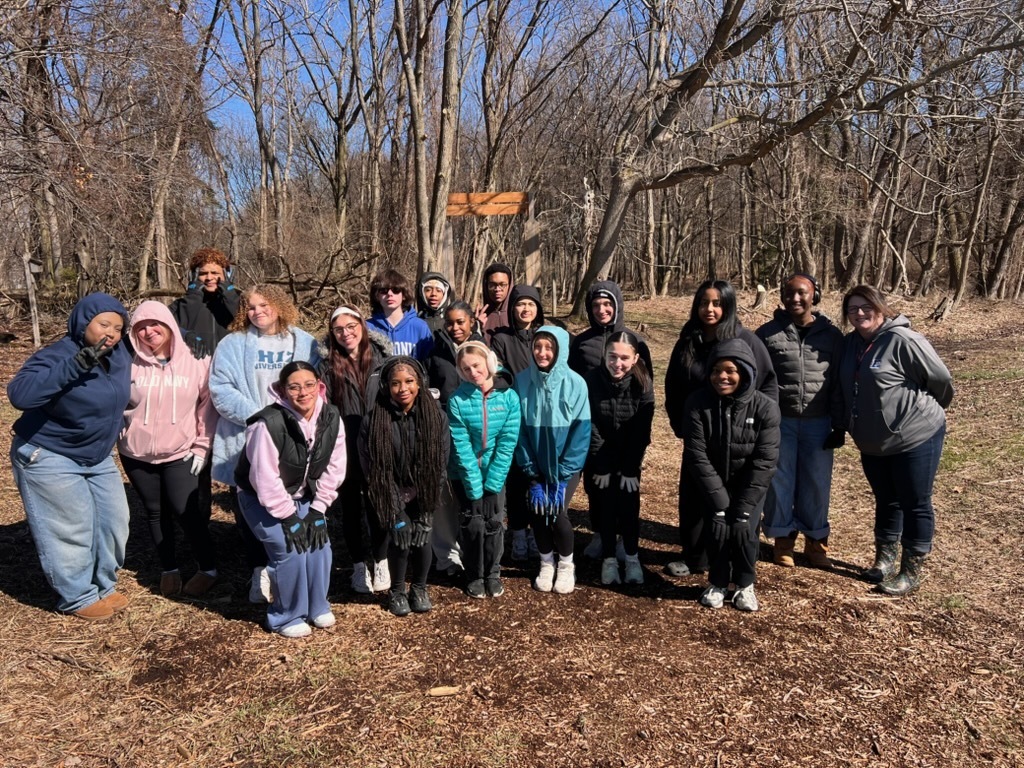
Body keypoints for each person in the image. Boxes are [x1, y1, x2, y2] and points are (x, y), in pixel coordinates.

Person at [9, 293, 132, 620]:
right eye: (103, 324)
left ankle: (103, 585)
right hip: (49, 453)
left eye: (118, 327)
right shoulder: (56, 355)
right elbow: (19, 395)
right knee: (70, 527)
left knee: (114, 522)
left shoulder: (119, 354)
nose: (111, 332)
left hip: (96, 454)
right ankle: (77, 596)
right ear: (83, 323)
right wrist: (78, 363)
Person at [838, 285, 953, 595]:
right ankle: (884, 561)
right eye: (853, 309)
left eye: (866, 307)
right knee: (886, 499)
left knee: (915, 502)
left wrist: (919, 411)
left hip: (915, 435)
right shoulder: (850, 345)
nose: (860, 313)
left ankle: (911, 571)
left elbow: (940, 380)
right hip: (872, 441)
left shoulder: (904, 340)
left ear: (881, 307)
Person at [208, 284, 320, 603]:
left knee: (290, 500)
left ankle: (287, 566)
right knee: (250, 506)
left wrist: (295, 419)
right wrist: (260, 417)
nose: (257, 312)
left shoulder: (303, 341)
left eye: (263, 305)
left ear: (279, 305)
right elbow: (221, 388)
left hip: (293, 438)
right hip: (249, 437)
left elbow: (317, 385)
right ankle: (259, 569)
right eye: (251, 307)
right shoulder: (233, 344)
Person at [663, 279, 778, 577]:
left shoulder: (746, 340)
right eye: (703, 303)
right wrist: (680, 425)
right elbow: (673, 386)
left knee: (738, 500)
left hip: (739, 437)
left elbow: (767, 386)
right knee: (694, 497)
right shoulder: (689, 340)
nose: (709, 309)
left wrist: (758, 426)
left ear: (728, 306)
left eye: (716, 303)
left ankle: (737, 564)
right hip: (700, 434)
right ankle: (695, 558)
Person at [235, 362, 345, 638]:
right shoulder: (267, 423)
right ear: (283, 391)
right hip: (260, 498)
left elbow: (335, 466)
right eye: (294, 387)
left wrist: (318, 509)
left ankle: (317, 605)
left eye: (309, 385)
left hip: (303, 494)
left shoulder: (331, 417)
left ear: (319, 386)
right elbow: (264, 478)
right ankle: (285, 616)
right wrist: (289, 517)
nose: (303, 392)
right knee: (289, 548)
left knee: (320, 543)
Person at [118, 300, 219, 598]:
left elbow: (207, 404)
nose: (149, 332)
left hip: (181, 450)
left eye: (155, 325)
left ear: (169, 325)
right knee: (153, 512)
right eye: (141, 328)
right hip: (135, 452)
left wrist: (203, 446)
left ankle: (208, 568)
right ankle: (169, 568)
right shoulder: (127, 360)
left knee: (185, 510)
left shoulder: (196, 356)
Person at [684, 340, 781, 612]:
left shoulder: (765, 407)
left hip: (749, 484)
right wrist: (719, 501)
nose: (722, 377)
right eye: (716, 370)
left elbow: (765, 459)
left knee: (743, 530)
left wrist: (744, 506)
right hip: (713, 482)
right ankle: (717, 581)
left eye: (730, 370)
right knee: (716, 529)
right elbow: (696, 454)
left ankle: (744, 584)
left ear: (745, 372)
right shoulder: (697, 403)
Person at [755, 274, 844, 569]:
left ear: (814, 295)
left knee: (817, 484)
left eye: (802, 293)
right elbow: (757, 381)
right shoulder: (767, 335)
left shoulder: (832, 337)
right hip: (781, 421)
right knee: (780, 481)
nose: (795, 299)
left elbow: (840, 383)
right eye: (789, 293)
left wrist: (840, 425)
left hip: (820, 423)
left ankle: (816, 543)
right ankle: (783, 541)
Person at [569, 280, 653, 561]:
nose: (602, 310)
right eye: (596, 305)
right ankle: (599, 532)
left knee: (626, 486)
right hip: (595, 424)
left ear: (617, 306)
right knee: (596, 484)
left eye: (607, 304)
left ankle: (623, 537)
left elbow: (645, 386)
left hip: (628, 426)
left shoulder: (635, 340)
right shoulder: (580, 343)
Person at [360, 357, 450, 616]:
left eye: (409, 381)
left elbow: (439, 465)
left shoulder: (436, 417)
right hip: (389, 492)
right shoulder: (373, 421)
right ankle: (397, 590)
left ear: (420, 383)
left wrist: (427, 509)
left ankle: (419, 587)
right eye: (395, 383)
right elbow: (373, 471)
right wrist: (396, 510)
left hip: (424, 490)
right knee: (400, 539)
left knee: (422, 537)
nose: (403, 389)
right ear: (386, 387)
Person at [319, 305, 392, 594]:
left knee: (379, 504)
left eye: (351, 326)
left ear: (362, 326)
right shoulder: (325, 366)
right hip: (344, 445)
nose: (346, 333)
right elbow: (322, 410)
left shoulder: (383, 359)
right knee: (350, 508)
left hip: (378, 441)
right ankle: (359, 564)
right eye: (339, 329)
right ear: (332, 334)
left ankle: (382, 560)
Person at [514, 326, 591, 595]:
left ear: (560, 350)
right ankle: (546, 562)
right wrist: (531, 472)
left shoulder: (576, 383)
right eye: (538, 347)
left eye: (549, 348)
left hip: (564, 467)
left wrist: (565, 473)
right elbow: (519, 431)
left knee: (557, 513)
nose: (542, 353)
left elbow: (581, 433)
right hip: (534, 462)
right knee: (537, 511)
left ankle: (567, 564)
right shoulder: (522, 381)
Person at [447, 341, 521, 598]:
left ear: (489, 363)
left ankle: (492, 573)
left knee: (493, 523)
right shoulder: (457, 400)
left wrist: (493, 481)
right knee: (472, 524)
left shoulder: (509, 397)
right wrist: (474, 484)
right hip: (464, 473)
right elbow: (460, 445)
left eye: (476, 366)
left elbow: (508, 441)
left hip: (495, 473)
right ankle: (474, 574)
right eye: (466, 369)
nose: (472, 372)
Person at [584, 331, 655, 585]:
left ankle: (632, 557)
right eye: (612, 356)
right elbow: (590, 424)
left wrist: (630, 468)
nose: (618, 363)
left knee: (628, 504)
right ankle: (609, 559)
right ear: (605, 355)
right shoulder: (591, 380)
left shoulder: (643, 383)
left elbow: (641, 430)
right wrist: (600, 464)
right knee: (603, 502)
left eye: (624, 358)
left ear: (635, 358)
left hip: (628, 454)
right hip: (599, 453)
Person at [489, 284, 545, 561]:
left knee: (538, 473)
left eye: (531, 305)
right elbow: (497, 372)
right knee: (516, 477)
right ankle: (519, 532)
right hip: (512, 413)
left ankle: (538, 531)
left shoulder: (544, 337)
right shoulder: (501, 339)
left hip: (542, 415)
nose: (525, 310)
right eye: (520, 305)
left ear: (538, 309)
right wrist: (515, 386)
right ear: (512, 309)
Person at [169, 247, 240, 357]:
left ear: (227, 275)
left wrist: (230, 296)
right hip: (194, 368)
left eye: (215, 273)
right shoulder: (180, 305)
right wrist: (192, 297)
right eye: (203, 273)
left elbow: (250, 326)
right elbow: (166, 330)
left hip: (231, 368)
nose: (209, 277)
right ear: (194, 276)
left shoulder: (241, 301)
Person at [425, 301, 484, 406]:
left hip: (477, 410)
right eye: (450, 323)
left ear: (471, 322)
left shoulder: (483, 349)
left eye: (460, 322)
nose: (455, 328)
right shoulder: (437, 351)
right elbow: (427, 382)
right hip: (445, 412)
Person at [366, 269, 433, 359]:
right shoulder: (367, 328)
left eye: (396, 290)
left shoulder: (419, 327)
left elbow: (429, 364)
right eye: (383, 291)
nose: (390, 294)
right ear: (377, 296)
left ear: (404, 295)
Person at [476, 262, 514, 344]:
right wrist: (476, 328)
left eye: (502, 284)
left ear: (509, 286)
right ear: (486, 286)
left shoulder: (517, 314)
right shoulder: (479, 317)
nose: (497, 289)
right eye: (492, 285)